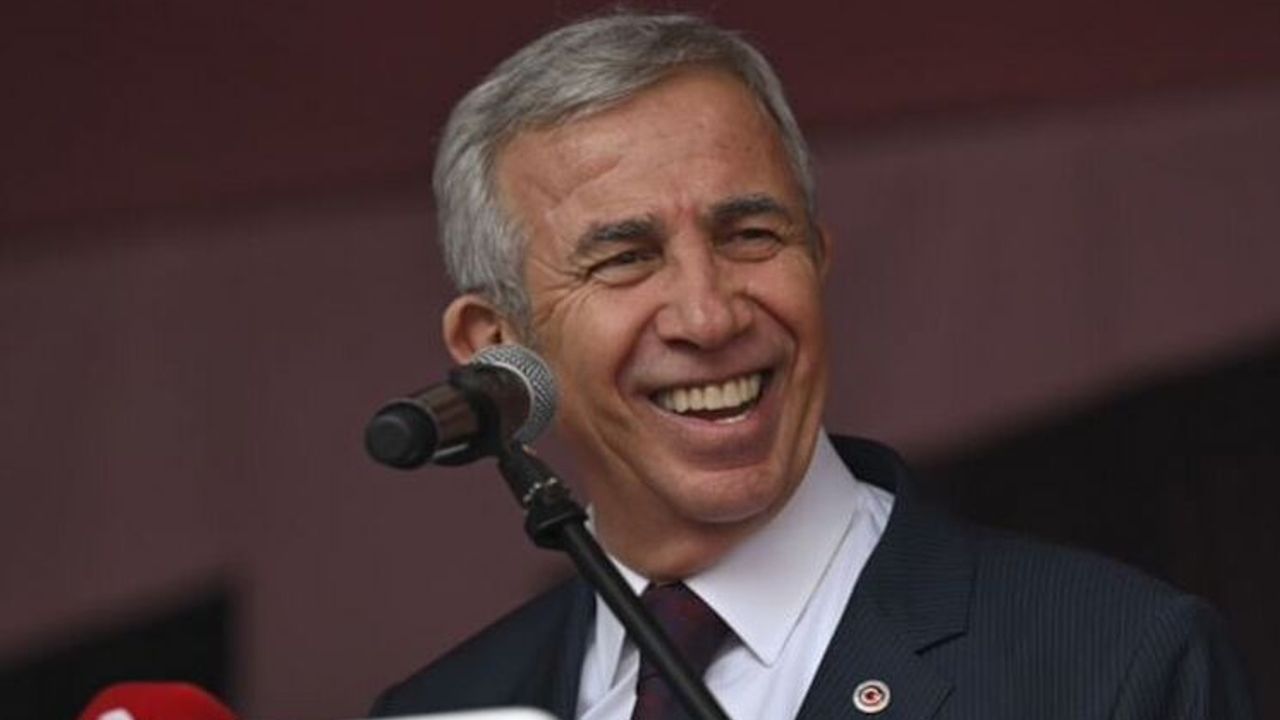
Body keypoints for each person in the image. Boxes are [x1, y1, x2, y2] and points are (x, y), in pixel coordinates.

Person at [372, 11, 1254, 719]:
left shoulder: (1114, 662)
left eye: (751, 235)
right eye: (626, 259)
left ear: (818, 261)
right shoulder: (442, 709)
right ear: (495, 345)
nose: (710, 315)